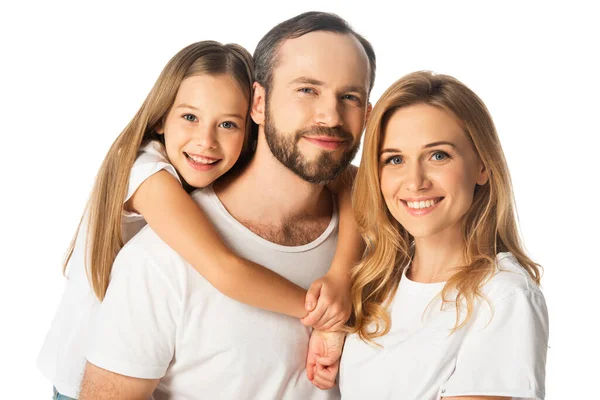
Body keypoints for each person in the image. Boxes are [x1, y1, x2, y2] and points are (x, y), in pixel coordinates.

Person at [37, 36, 364, 399]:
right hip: (79, 374)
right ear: (161, 118)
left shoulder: (214, 166)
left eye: (228, 125)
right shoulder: (145, 172)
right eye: (190, 117)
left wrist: (340, 275)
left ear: (253, 121)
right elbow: (225, 269)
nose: (206, 141)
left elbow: (350, 180)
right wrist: (326, 318)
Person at [332, 71, 549, 399]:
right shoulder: (377, 288)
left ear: (482, 165)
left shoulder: (502, 297)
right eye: (394, 159)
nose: (415, 181)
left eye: (438, 155)